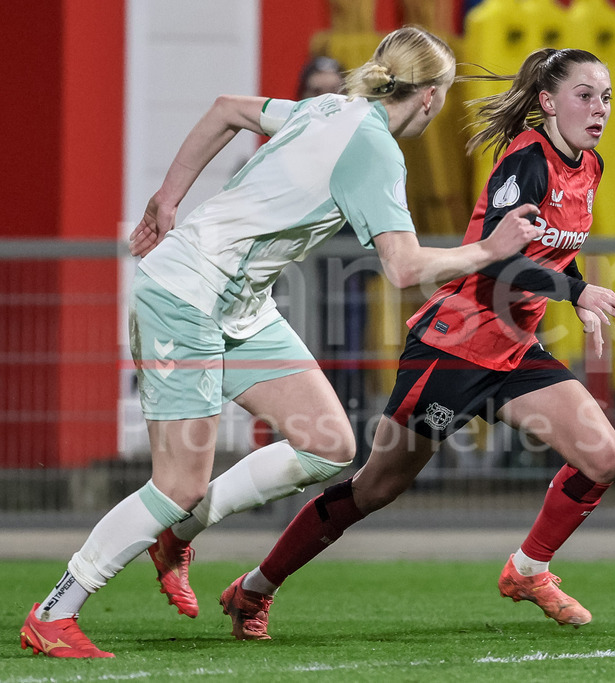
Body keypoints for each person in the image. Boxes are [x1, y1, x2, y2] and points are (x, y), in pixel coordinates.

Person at [19, 26, 542, 659]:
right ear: (430, 98)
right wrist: (490, 249)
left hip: (237, 308)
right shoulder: (374, 148)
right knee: (178, 481)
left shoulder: (329, 108)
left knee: (328, 444)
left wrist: (167, 198)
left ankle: (177, 531)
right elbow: (403, 268)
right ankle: (55, 611)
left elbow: (226, 111)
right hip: (184, 298)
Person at [215, 47, 615, 641]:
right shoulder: (527, 163)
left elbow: (548, 251)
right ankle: (255, 588)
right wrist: (578, 291)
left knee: (605, 457)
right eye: (585, 95)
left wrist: (569, 292)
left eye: (607, 96)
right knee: (377, 486)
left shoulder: (590, 165)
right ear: (547, 102)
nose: (599, 109)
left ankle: (528, 569)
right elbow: (501, 259)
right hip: (454, 347)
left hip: (515, 347)